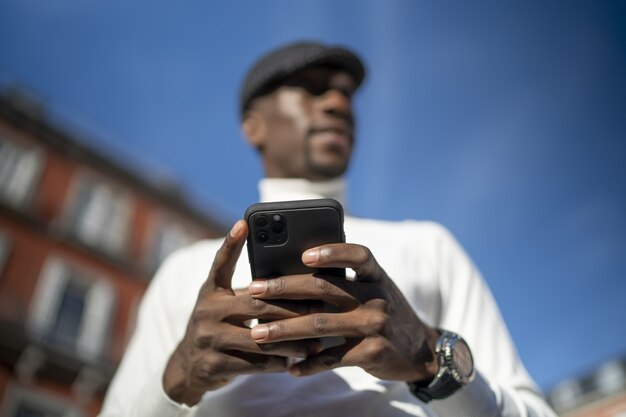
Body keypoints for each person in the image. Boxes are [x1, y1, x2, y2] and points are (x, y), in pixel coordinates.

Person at [99, 41, 556, 417]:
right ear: (253, 126)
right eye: (312, 90)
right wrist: (181, 374)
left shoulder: (429, 245)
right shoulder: (183, 270)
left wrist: (425, 353)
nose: (338, 104)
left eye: (345, 96)